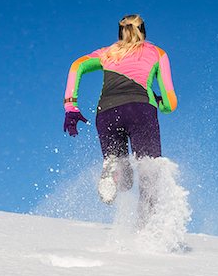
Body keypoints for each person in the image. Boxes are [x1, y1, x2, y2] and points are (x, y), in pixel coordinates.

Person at [63, 14, 177, 220]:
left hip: (106, 114)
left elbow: (76, 66)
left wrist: (71, 106)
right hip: (141, 111)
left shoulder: (107, 53)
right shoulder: (157, 53)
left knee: (123, 177)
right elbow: (171, 103)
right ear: (144, 31)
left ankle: (112, 168)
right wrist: (160, 103)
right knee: (149, 173)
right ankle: (146, 229)